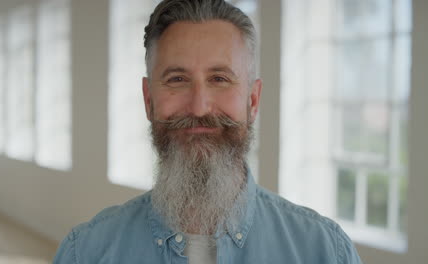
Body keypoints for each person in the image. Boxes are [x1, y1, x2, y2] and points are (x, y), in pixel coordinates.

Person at [53, 0, 362, 263]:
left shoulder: (324, 252)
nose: (199, 107)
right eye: (176, 79)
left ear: (252, 101)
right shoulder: (86, 253)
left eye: (219, 78)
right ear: (148, 100)